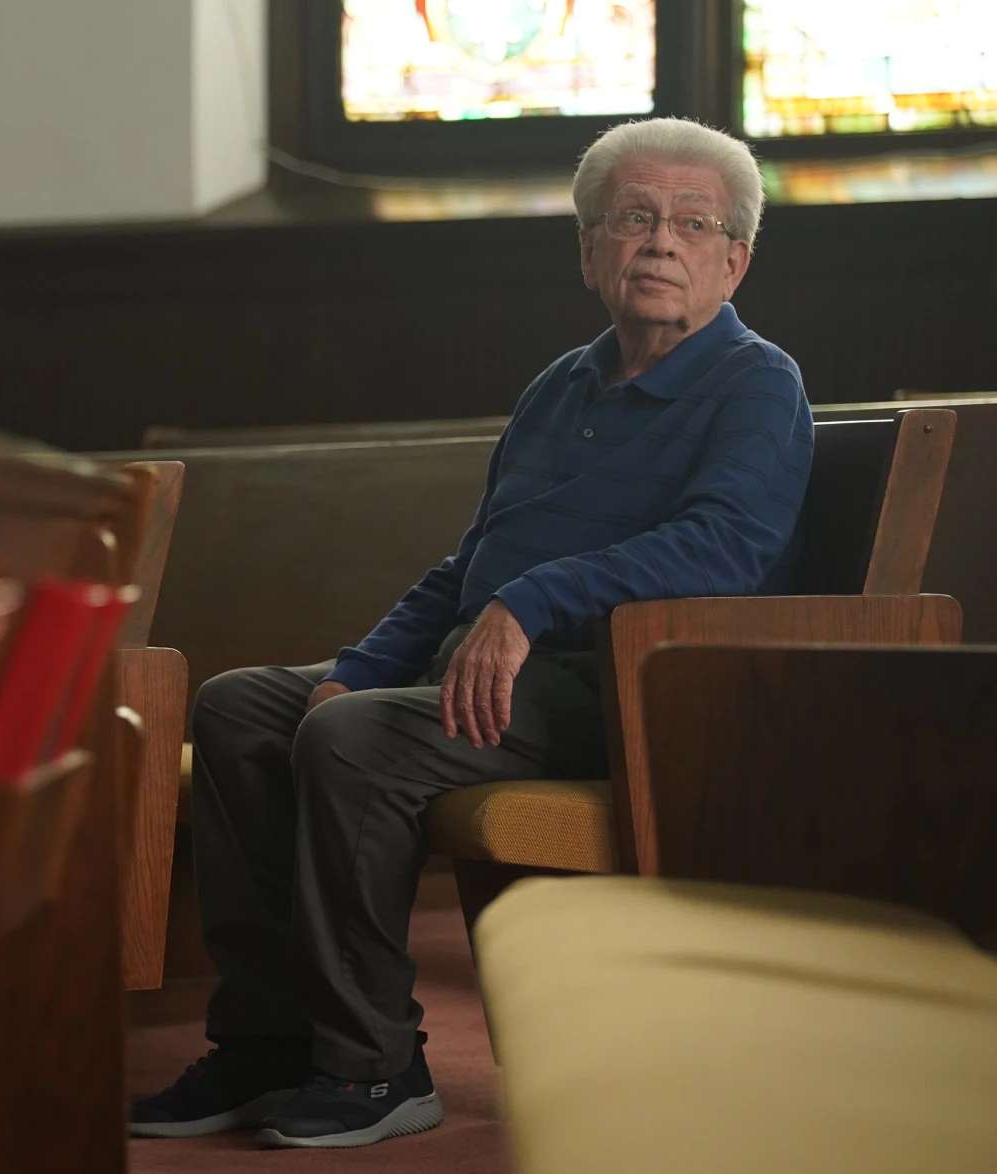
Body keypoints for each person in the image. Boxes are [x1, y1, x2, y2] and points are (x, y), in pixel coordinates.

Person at [130, 117, 814, 1151]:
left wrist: (532, 601)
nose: (658, 242)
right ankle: (268, 1039)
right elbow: (466, 567)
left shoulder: (756, 383)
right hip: (497, 663)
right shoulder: (560, 384)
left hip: (623, 684)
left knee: (351, 737)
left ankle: (370, 1066)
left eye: (690, 221)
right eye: (631, 218)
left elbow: (723, 548)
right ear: (587, 250)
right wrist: (358, 665)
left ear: (734, 257)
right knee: (241, 707)